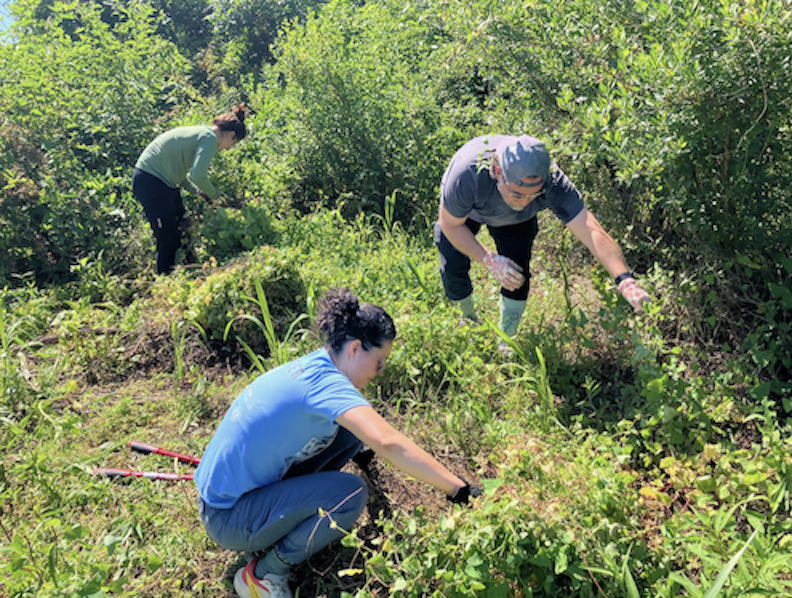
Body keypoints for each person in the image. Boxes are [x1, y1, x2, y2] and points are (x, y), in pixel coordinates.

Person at [194, 287, 481, 598]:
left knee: (350, 434)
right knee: (350, 494)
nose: (380, 372)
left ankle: (282, 521)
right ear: (356, 348)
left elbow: (366, 434)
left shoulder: (318, 365)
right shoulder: (327, 386)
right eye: (380, 361)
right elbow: (388, 440)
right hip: (229, 518)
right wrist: (458, 489)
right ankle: (266, 574)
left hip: (226, 497)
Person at [434, 134, 651, 344]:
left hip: (515, 222)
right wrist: (488, 259)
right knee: (453, 261)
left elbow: (590, 228)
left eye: (534, 195)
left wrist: (625, 280)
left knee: (516, 275)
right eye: (518, 194)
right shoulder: (467, 174)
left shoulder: (553, 182)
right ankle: (469, 317)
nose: (525, 202)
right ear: (498, 172)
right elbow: (451, 225)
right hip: (466, 214)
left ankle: (507, 340)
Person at [131, 103, 248, 274]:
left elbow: (178, 170)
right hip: (151, 182)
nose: (228, 148)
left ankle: (192, 269)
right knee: (167, 236)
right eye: (233, 143)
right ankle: (164, 282)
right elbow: (198, 175)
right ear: (230, 134)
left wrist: (196, 191)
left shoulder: (202, 132)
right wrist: (214, 195)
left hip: (162, 182)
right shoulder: (209, 138)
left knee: (182, 227)